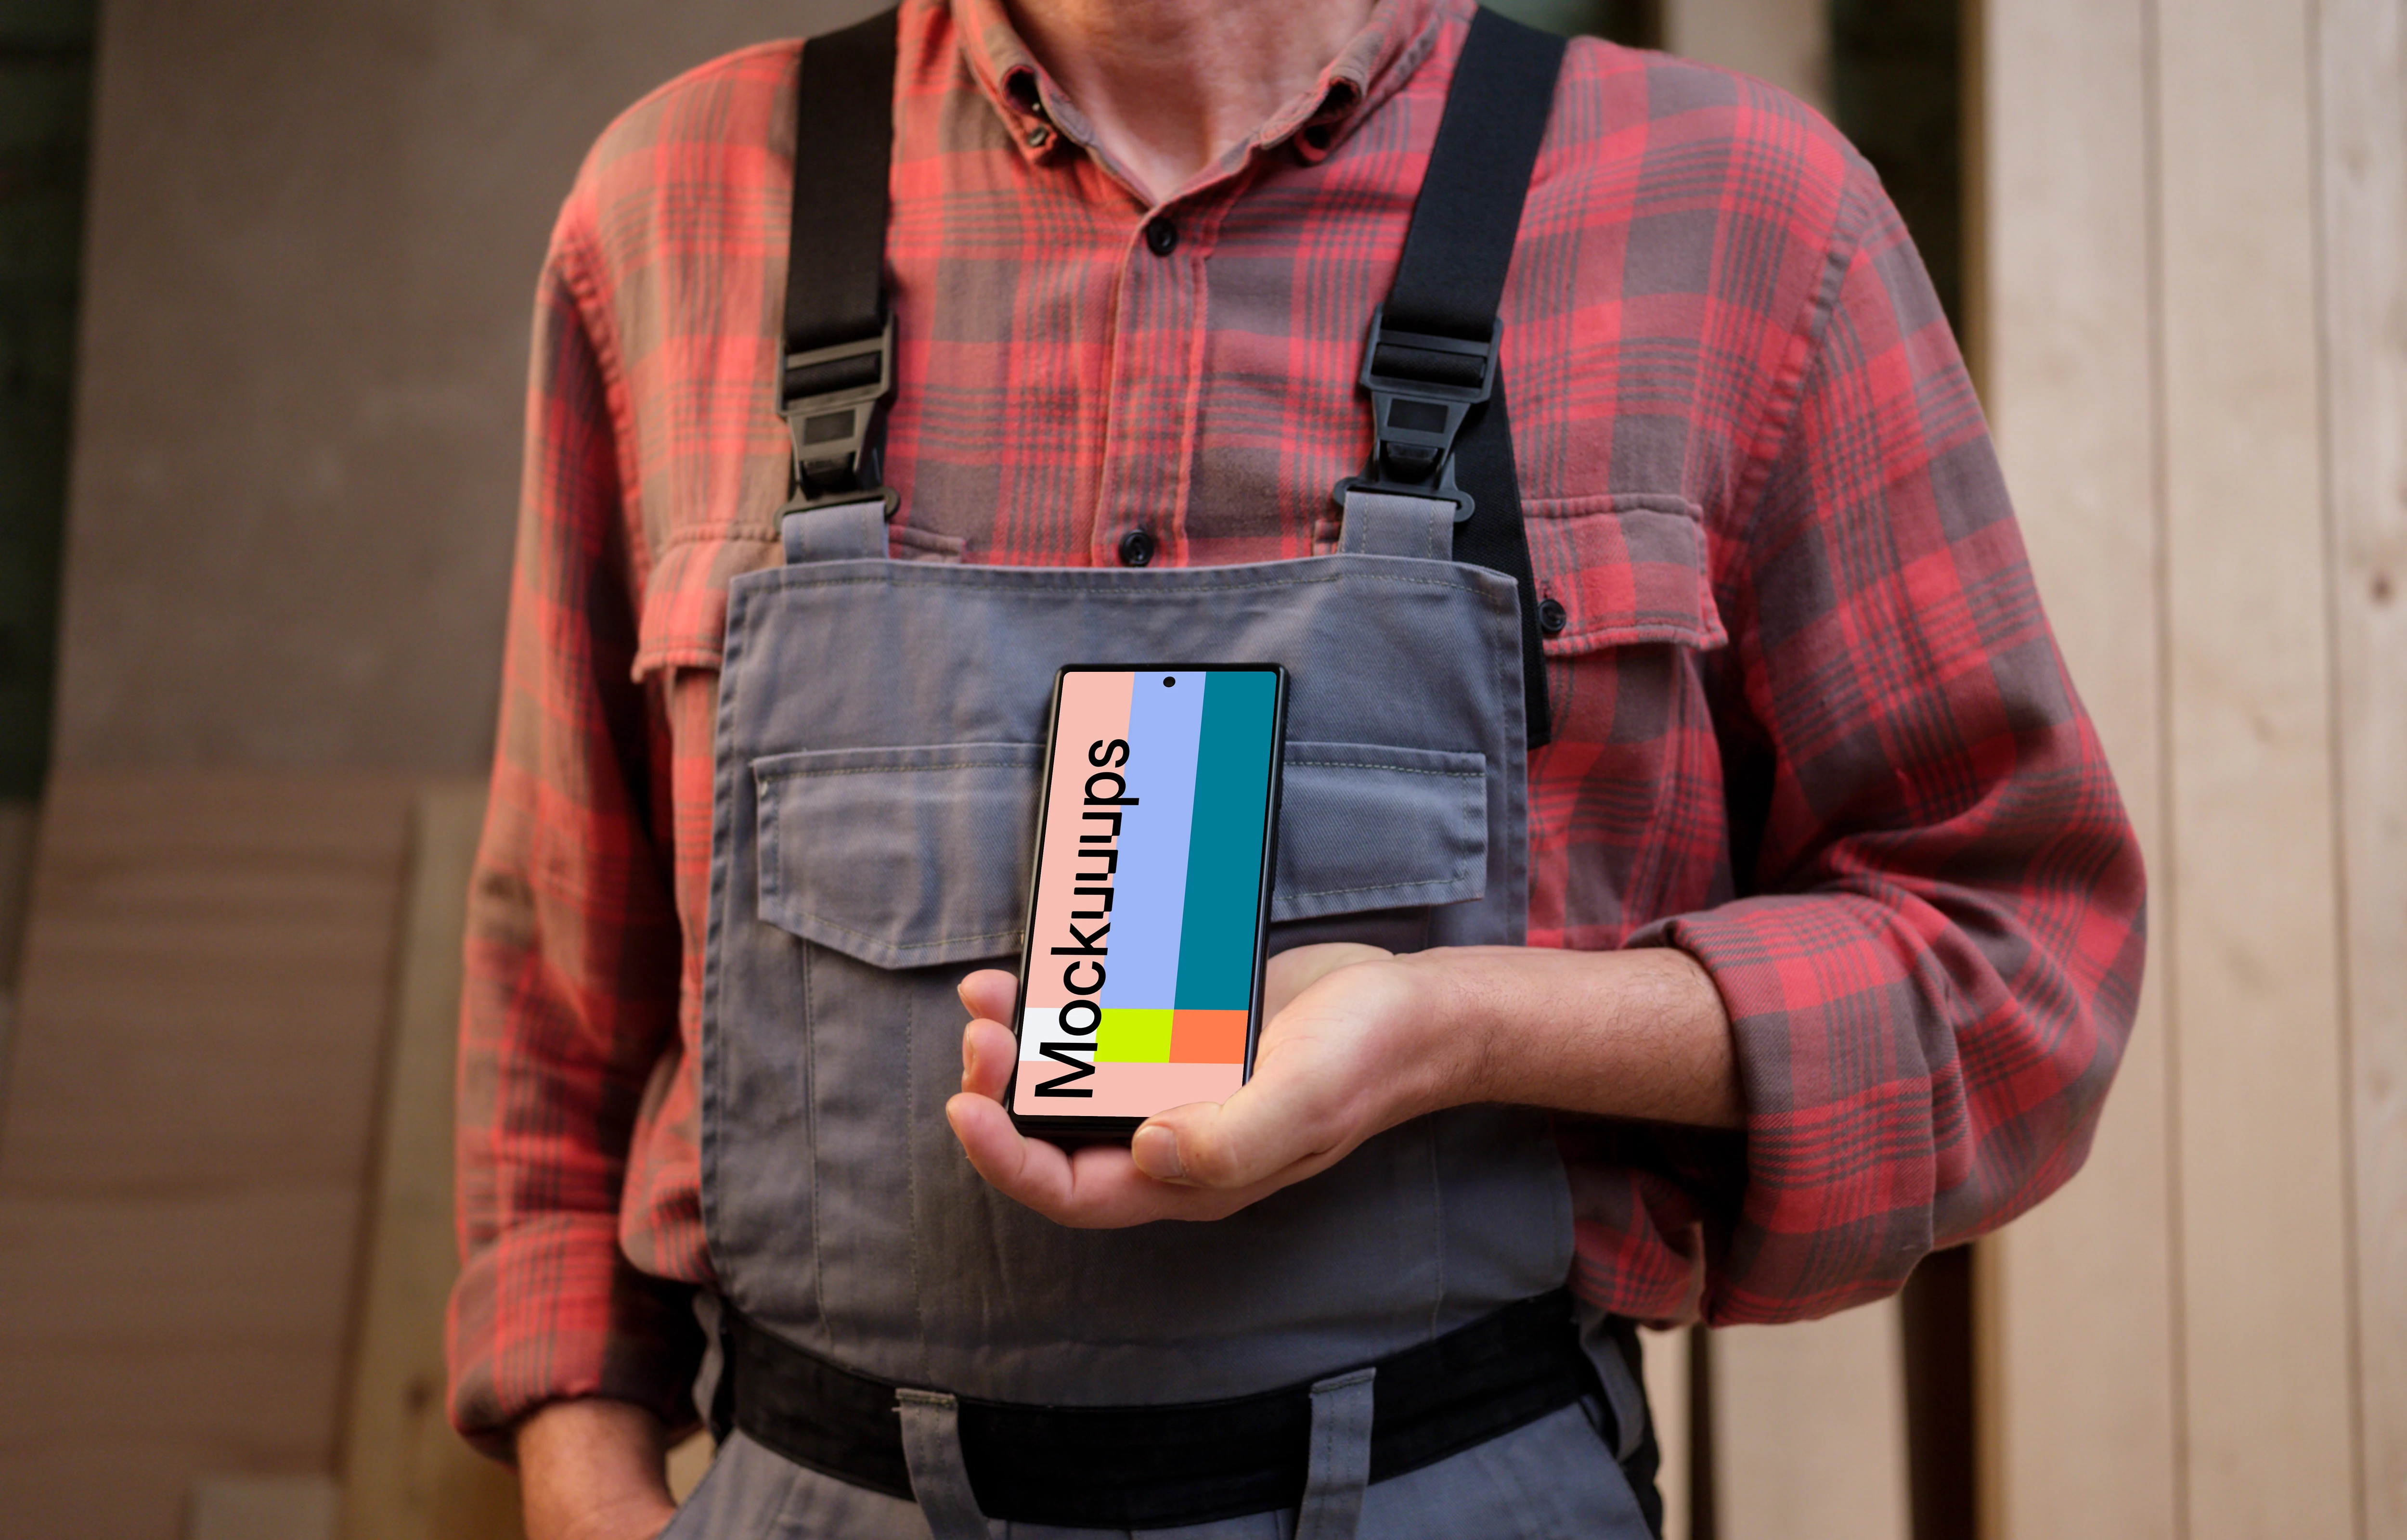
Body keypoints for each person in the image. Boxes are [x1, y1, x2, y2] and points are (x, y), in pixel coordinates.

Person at [449, 0, 2146, 1536]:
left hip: (1462, 1491)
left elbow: (2013, 974)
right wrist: (585, 1479)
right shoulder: (673, 203)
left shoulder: (1745, 215)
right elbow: (555, 995)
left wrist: (1467, 1028)